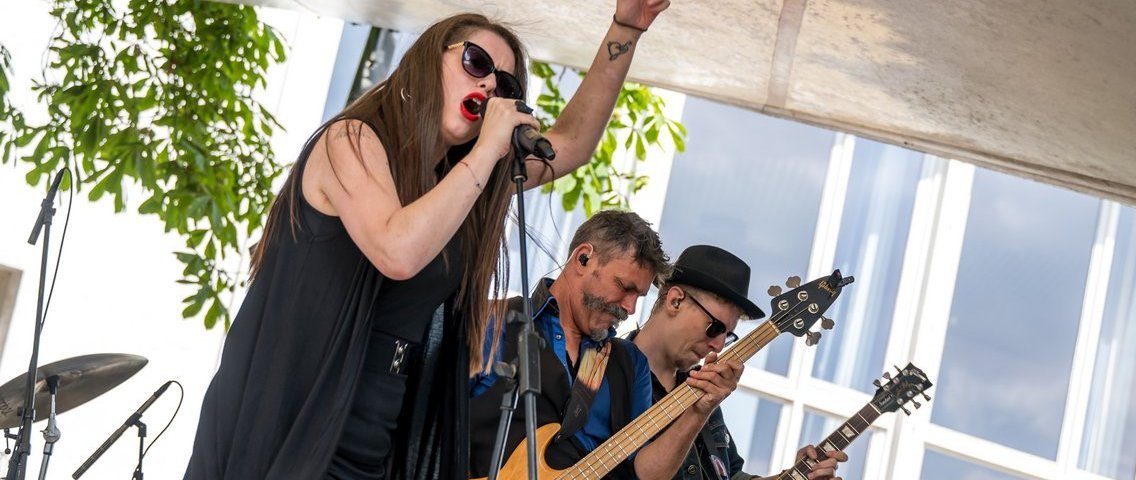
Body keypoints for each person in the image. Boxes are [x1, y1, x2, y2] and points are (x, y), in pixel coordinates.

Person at [185, 2, 672, 478]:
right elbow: (397, 251)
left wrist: (625, 28)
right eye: (475, 63)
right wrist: (486, 153)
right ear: (425, 59)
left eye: (503, 85)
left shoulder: (459, 187)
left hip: (380, 420)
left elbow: (572, 143)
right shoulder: (351, 141)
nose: (487, 86)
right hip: (298, 408)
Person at [468, 211, 744, 480]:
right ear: (583, 258)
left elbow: (643, 473)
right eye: (625, 287)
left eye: (639, 296)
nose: (631, 307)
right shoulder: (493, 321)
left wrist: (698, 411)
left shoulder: (629, 363)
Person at [627, 245, 849, 480]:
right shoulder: (610, 373)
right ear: (675, 301)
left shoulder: (701, 390)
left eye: (728, 335)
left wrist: (793, 476)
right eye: (715, 327)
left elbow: (730, 475)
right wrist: (696, 413)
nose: (719, 346)